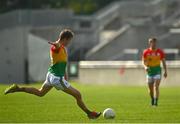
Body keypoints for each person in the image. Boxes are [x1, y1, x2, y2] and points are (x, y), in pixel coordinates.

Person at [4, 29, 101, 119]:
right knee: (78, 95)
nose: (69, 43)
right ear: (65, 39)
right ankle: (90, 114)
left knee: (40, 93)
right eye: (69, 41)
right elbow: (56, 46)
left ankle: (18, 88)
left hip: (51, 75)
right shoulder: (57, 47)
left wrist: (65, 76)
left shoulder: (63, 48)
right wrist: (56, 44)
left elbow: (63, 63)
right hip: (56, 78)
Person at [142, 38, 167, 106]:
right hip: (150, 72)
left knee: (156, 86)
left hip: (157, 71)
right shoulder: (146, 52)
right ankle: (152, 99)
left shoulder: (160, 52)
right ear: (149, 43)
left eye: (154, 42)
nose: (153, 44)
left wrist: (165, 71)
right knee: (150, 89)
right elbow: (143, 61)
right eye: (151, 42)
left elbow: (163, 61)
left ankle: (156, 102)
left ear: (156, 43)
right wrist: (145, 67)